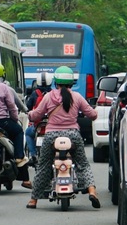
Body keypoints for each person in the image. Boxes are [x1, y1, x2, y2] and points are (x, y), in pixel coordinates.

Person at [25, 66, 100, 209]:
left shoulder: (48, 96)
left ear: (55, 82)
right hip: (73, 136)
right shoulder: (77, 97)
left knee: (43, 165)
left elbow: (37, 114)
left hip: (51, 136)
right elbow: (92, 115)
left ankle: (34, 200)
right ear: (71, 82)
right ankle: (92, 191)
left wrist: (29, 115)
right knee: (82, 164)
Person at [0, 61, 32, 189]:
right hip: (3, 122)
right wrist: (14, 119)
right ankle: (19, 158)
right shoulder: (4, 88)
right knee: (19, 131)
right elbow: (12, 107)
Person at [24, 72, 53, 163]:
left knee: (28, 133)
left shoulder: (34, 94)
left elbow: (28, 107)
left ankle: (33, 154)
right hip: (51, 126)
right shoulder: (53, 94)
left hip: (37, 126)